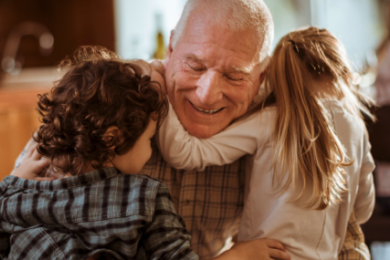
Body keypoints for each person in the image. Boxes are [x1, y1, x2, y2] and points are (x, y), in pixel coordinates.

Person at [13, 1, 371, 259]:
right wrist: (14, 180)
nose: (207, 94)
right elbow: (22, 208)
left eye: (234, 75)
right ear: (170, 48)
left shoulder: (277, 120)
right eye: (194, 65)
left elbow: (347, 223)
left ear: (260, 78)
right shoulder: (115, 103)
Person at [156, 27, 376, 259]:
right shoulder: (356, 128)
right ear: (342, 72)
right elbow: (363, 211)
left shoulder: (270, 119)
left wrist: (158, 86)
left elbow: (182, 152)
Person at [0, 46, 199, 260]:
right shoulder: (145, 198)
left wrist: (13, 184)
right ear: (112, 138)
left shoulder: (20, 197)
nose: (151, 151)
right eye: (149, 139)